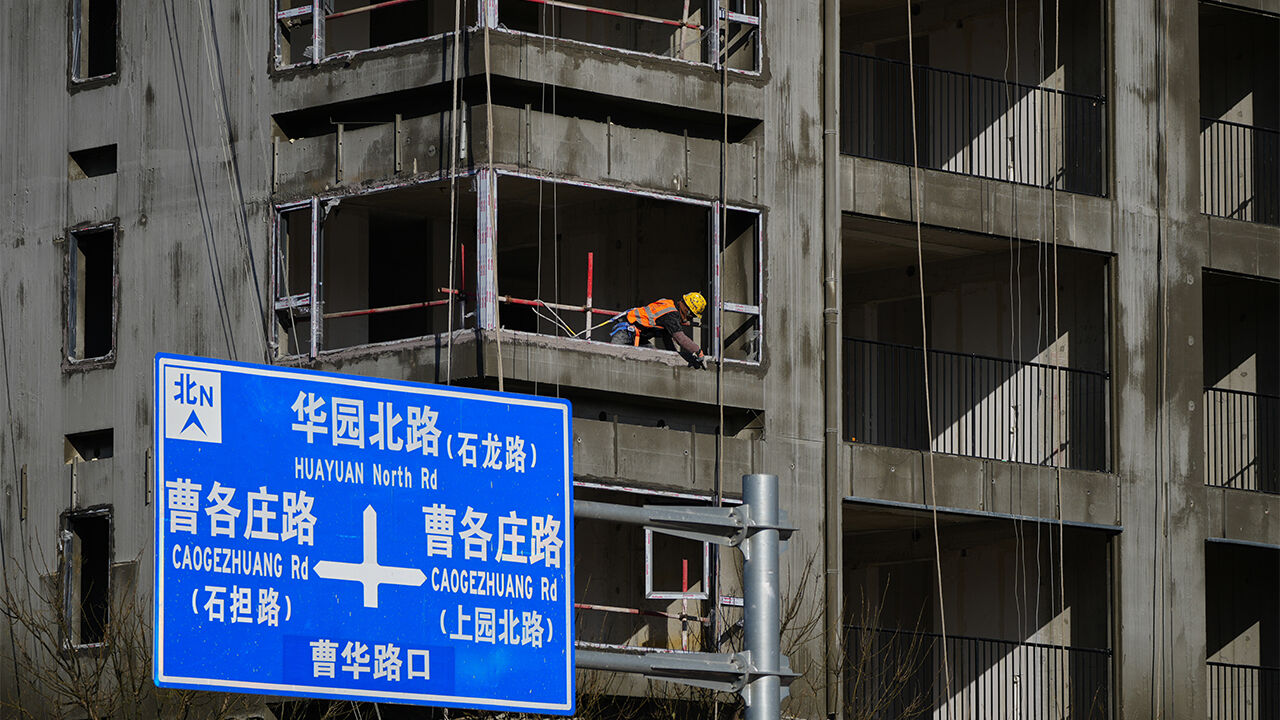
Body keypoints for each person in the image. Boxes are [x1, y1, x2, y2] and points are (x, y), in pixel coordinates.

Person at [610, 292, 709, 368]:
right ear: (688, 311)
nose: (690, 319)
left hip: (639, 338)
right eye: (692, 316)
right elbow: (680, 338)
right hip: (625, 332)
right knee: (612, 360)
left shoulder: (670, 306)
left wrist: (675, 357)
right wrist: (698, 351)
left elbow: (667, 339)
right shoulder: (671, 315)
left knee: (655, 358)